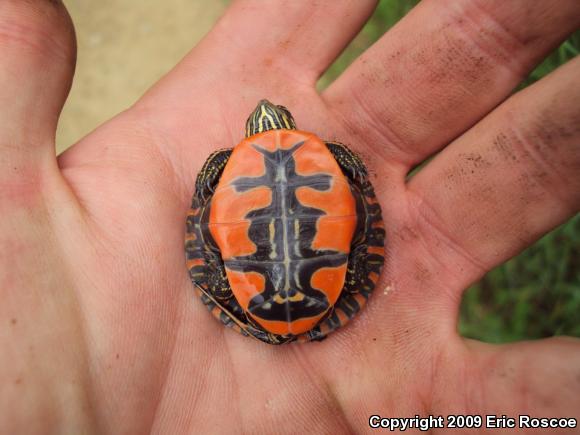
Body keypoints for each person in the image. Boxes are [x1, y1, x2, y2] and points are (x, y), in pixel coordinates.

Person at [1, 0, 579, 432]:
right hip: (316, 268)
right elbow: (353, 189)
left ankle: (266, 315)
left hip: (269, 281)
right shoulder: (317, 159)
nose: (262, 113)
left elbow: (212, 199)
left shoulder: (226, 167)